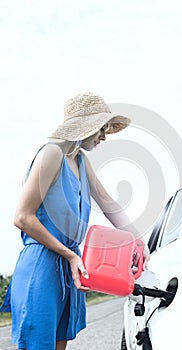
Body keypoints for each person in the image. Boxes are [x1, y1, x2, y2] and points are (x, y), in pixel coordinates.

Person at [2, 92, 150, 350]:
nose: (104, 136)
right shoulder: (52, 154)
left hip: (70, 264)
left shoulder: (81, 160)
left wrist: (139, 240)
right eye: (102, 129)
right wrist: (70, 256)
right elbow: (22, 217)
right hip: (43, 264)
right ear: (86, 127)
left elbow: (109, 204)